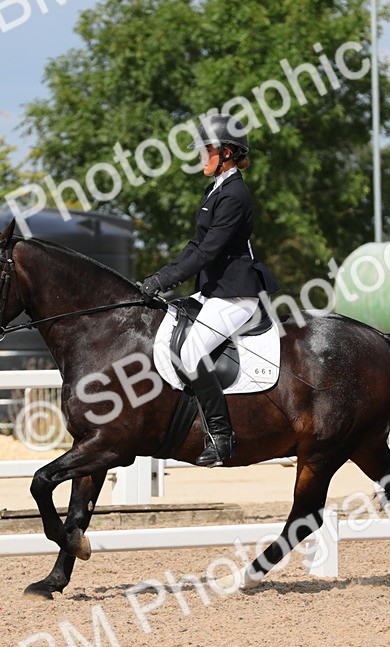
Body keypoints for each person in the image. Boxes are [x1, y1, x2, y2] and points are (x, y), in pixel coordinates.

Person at [138, 114, 279, 467]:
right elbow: (195, 243)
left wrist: (165, 281)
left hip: (236, 293)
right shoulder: (215, 189)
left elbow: (208, 251)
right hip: (214, 291)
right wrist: (159, 276)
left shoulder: (235, 194)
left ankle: (221, 435)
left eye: (207, 150)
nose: (202, 156)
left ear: (227, 152)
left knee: (192, 350)